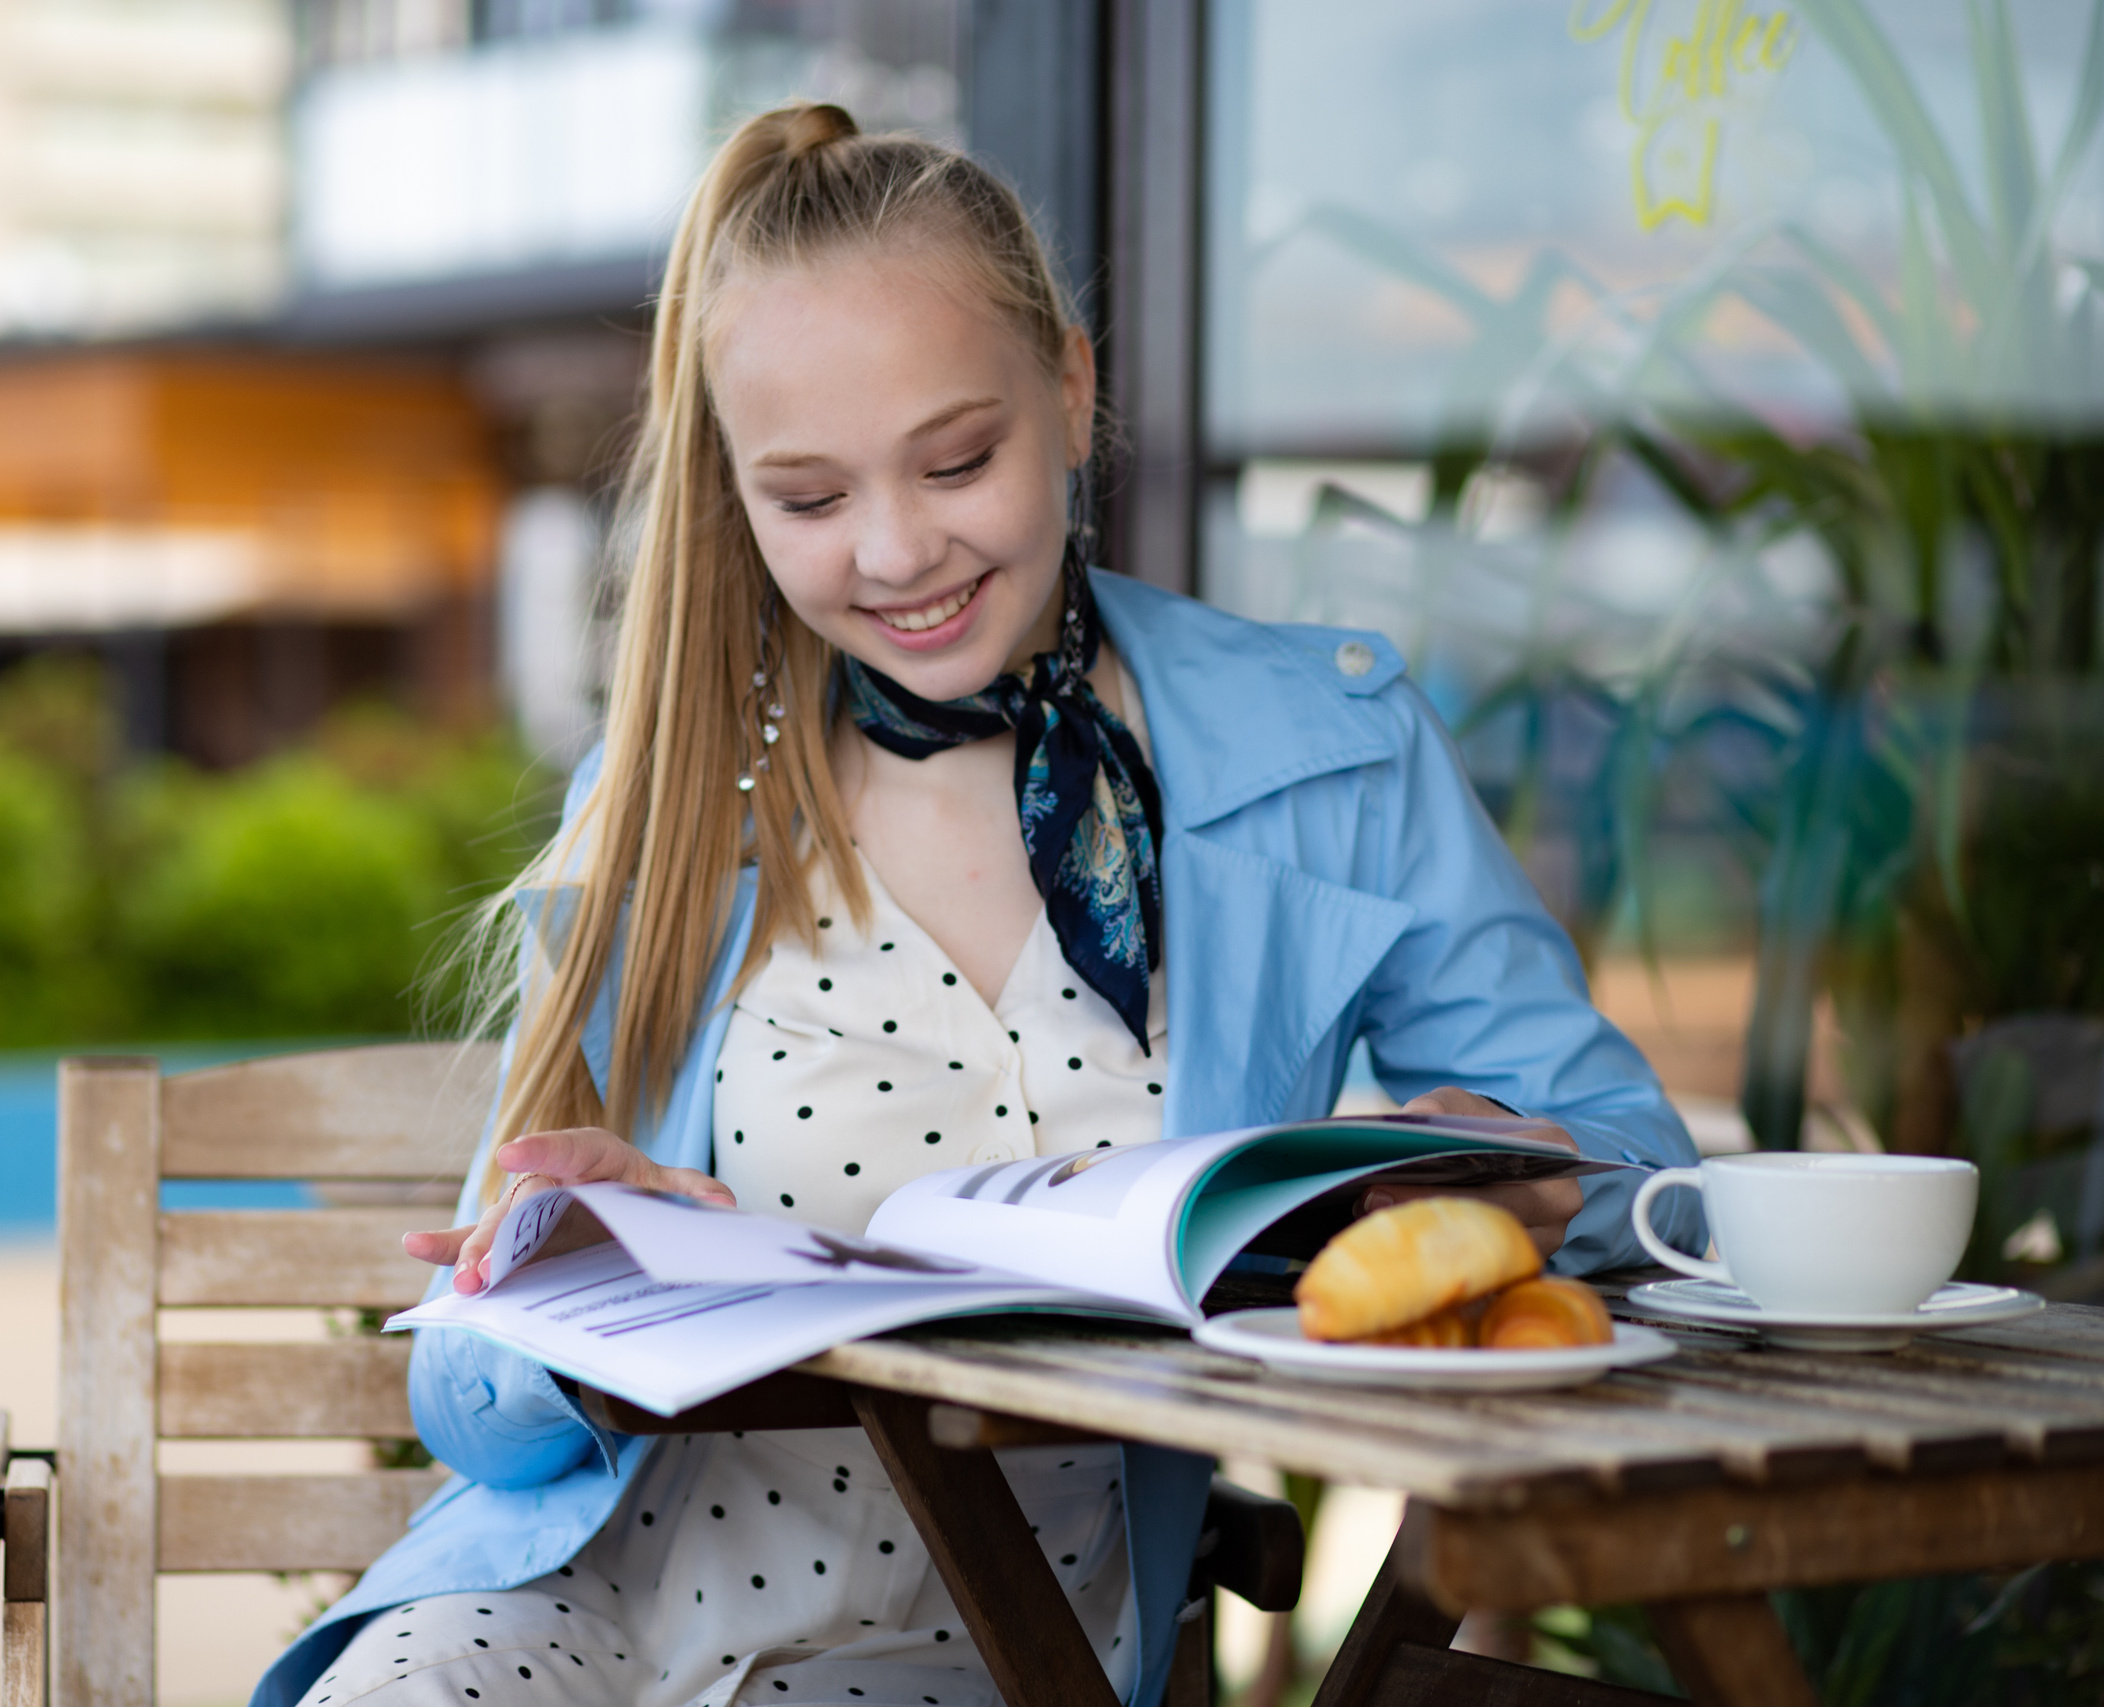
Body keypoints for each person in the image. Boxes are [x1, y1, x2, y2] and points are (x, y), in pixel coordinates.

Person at [252, 102, 1702, 1707]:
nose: (896, 551)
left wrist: (1513, 1168)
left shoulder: (1328, 752)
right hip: (573, 1620)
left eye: (958, 461)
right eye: (806, 500)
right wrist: (587, 1273)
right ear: (737, 495)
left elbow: (1651, 1183)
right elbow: (465, 1401)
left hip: (1009, 1660)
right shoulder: (660, 789)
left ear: (1071, 392)